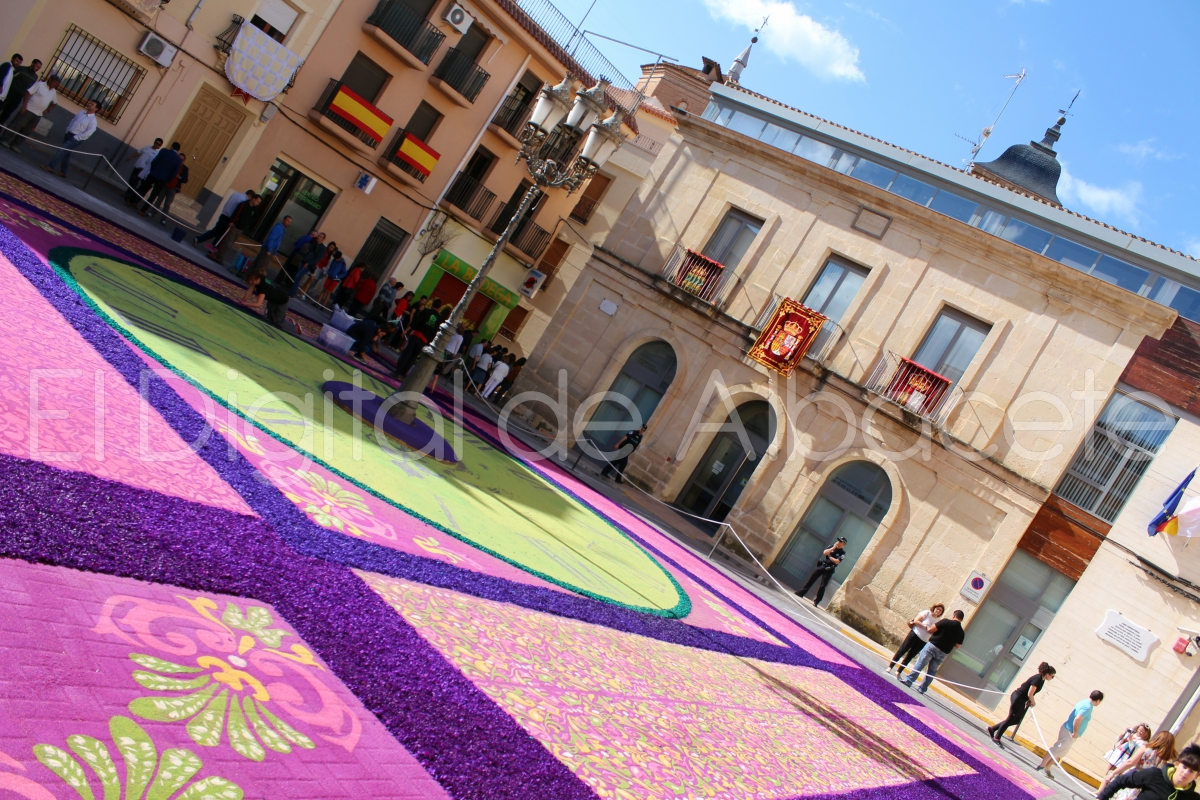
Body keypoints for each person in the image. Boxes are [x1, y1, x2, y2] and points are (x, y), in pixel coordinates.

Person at [1037, 690, 1105, 779]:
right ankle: (1041, 766)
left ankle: (1047, 768)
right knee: (1057, 749)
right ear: (1098, 700)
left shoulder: (1085, 702)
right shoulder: (1087, 707)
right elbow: (1077, 719)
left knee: (1060, 752)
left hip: (1069, 731)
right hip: (1069, 732)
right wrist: (1075, 732)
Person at [1097, 744, 1200, 800]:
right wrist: (1102, 798)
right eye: (1184, 767)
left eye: (1192, 771)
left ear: (1197, 775)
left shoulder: (1193, 798)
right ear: (1177, 764)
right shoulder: (1154, 775)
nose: (1186, 772)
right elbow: (1121, 780)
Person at [987, 662, 1056, 744]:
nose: (1052, 678)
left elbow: (1031, 693)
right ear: (1048, 674)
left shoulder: (1042, 680)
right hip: (1018, 697)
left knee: (1016, 720)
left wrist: (1029, 700)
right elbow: (1030, 693)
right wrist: (1033, 702)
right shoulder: (1038, 678)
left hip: (1022, 700)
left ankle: (992, 729)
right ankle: (996, 738)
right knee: (1011, 718)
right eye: (1052, 676)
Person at [900, 609, 966, 694]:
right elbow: (958, 646)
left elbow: (931, 629)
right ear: (961, 619)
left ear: (954, 615)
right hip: (944, 652)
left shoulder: (945, 621)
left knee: (921, 663)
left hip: (933, 646)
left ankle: (909, 681)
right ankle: (922, 688)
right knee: (932, 671)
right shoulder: (961, 632)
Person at [1102, 731, 1178, 798]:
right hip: (1150, 786)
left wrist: (1114, 773)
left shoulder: (1146, 748)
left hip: (1136, 778)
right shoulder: (1168, 761)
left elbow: (1130, 762)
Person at [0, 74, 59, 152]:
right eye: (54, 82)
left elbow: (54, 103)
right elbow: (28, 93)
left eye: (57, 83)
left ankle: (15, 144)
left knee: (27, 130)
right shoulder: (39, 85)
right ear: (50, 80)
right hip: (28, 109)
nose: (55, 84)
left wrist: (48, 110)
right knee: (16, 125)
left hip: (38, 114)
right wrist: (24, 106)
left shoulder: (53, 92)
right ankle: (5, 139)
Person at [40, 99, 98, 178]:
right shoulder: (81, 112)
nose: (89, 104)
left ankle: (50, 166)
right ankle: (64, 171)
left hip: (76, 138)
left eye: (92, 104)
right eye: (90, 103)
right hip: (69, 134)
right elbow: (73, 121)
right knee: (66, 154)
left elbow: (89, 132)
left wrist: (77, 137)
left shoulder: (93, 120)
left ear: (96, 109)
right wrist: (68, 130)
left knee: (61, 150)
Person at [886, 603, 944, 676]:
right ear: (934, 608)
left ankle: (899, 671)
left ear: (941, 612)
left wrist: (931, 631)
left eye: (940, 610)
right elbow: (916, 621)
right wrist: (925, 626)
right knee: (902, 650)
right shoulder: (927, 613)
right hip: (915, 634)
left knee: (910, 656)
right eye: (937, 608)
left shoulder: (939, 621)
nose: (938, 611)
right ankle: (890, 666)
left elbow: (935, 631)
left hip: (923, 640)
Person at [394, 297, 445, 377]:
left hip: (417, 334)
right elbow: (435, 332)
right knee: (414, 356)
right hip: (424, 339)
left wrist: (406, 330)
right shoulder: (439, 319)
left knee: (407, 353)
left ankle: (398, 371)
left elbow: (416, 321)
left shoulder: (425, 311)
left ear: (432, 304)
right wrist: (429, 342)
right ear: (439, 308)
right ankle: (404, 373)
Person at [211, 194, 261, 266]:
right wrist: (232, 221)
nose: (257, 203)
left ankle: (220, 256)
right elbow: (236, 212)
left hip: (241, 228)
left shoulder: (255, 210)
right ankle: (219, 256)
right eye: (257, 201)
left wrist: (248, 224)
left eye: (259, 202)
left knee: (230, 243)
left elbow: (255, 218)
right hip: (235, 226)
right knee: (228, 242)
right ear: (253, 199)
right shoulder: (244, 204)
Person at [797, 537, 847, 606]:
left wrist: (829, 556)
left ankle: (816, 601)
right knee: (811, 579)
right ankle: (801, 593)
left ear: (843, 544)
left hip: (829, 569)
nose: (838, 542)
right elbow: (825, 552)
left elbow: (837, 561)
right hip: (822, 566)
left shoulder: (842, 553)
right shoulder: (831, 547)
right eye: (838, 541)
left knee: (822, 586)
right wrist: (833, 548)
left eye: (840, 542)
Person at [138, 142, 182, 216]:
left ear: (171, 146)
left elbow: (155, 161)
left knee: (143, 188)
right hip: (163, 179)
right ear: (178, 150)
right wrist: (167, 180)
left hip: (154, 174)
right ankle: (143, 210)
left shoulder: (164, 151)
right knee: (153, 195)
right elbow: (174, 173)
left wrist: (152, 170)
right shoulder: (178, 160)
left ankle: (132, 201)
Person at [0, 59, 42, 134]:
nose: (37, 68)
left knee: (6, 115)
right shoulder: (21, 69)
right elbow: (10, 79)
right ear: (32, 63)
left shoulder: (35, 77)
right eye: (37, 66)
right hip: (9, 94)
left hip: (18, 98)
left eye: (39, 67)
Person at [123, 138, 162, 206]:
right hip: (137, 165)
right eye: (156, 143)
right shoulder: (147, 147)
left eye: (158, 144)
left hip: (143, 169)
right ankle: (128, 193)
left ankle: (130, 194)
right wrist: (131, 156)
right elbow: (139, 152)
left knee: (134, 180)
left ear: (160, 146)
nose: (156, 145)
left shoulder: (157, 153)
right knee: (131, 180)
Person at [154, 152, 188, 224]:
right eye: (179, 158)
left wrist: (180, 177)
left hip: (173, 188)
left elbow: (185, 180)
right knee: (158, 200)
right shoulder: (173, 164)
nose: (180, 160)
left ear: (184, 160)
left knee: (167, 205)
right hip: (165, 185)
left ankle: (163, 219)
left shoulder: (184, 169)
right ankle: (152, 212)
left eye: (181, 159)